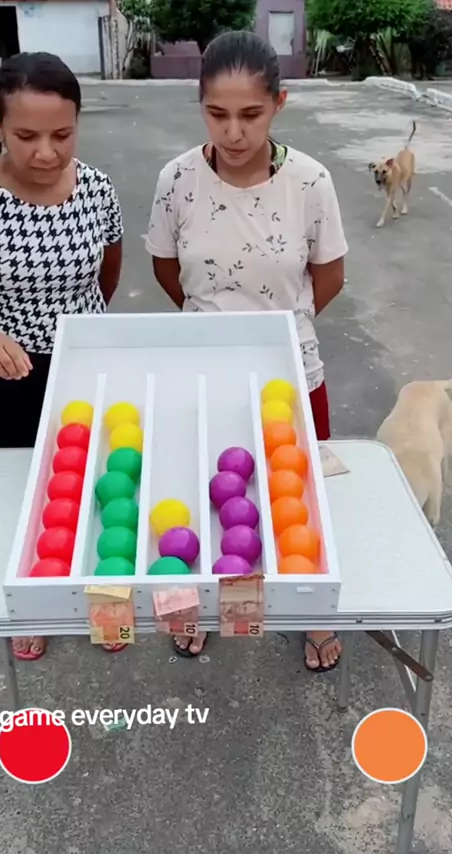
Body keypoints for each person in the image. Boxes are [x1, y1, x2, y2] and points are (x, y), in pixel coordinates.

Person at [145, 31, 347, 673]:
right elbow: (167, 268)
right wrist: (216, 331)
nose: (234, 132)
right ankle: (197, 610)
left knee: (295, 503)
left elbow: (328, 276)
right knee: (191, 494)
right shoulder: (177, 179)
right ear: (200, 105)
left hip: (291, 375)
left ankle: (309, 612)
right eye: (217, 114)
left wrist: (277, 333)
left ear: (279, 104)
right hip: (201, 373)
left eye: (251, 114)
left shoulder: (310, 181)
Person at [0, 52, 124, 660]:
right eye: (26, 136)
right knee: (28, 496)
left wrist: (82, 331)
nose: (45, 153)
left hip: (87, 368)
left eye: (62, 135)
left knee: (107, 490)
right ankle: (32, 608)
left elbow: (107, 273)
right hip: (8, 376)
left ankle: (110, 608)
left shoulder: (97, 190)